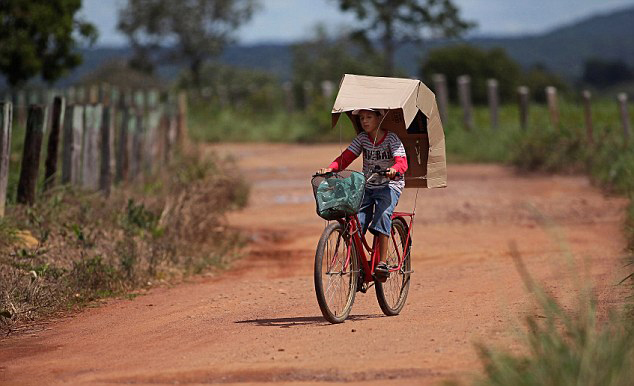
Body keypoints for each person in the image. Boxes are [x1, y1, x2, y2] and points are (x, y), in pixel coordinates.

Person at [316, 108, 408, 281]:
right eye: (362, 118)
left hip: (390, 185)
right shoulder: (362, 139)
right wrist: (332, 168)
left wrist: (394, 170)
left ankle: (382, 263)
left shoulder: (391, 139)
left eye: (369, 117)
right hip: (368, 185)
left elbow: (402, 162)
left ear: (379, 118)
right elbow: (347, 157)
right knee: (357, 222)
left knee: (383, 214)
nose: (365, 121)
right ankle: (358, 266)